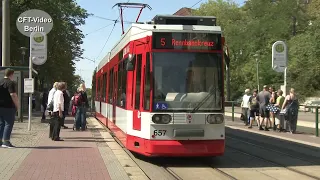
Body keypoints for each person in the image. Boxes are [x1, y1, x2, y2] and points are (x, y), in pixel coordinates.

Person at [0, 68, 20, 148]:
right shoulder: (10, 83)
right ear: (11, 74)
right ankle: (6, 142)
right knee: (8, 123)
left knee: (1, 124)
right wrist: (17, 105)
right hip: (8, 106)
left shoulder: (0, 81)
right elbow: (13, 95)